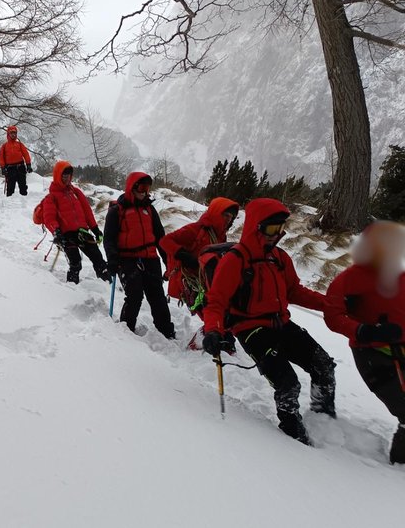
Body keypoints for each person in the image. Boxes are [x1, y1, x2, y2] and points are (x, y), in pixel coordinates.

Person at [202, 198, 336, 445]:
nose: (278, 235)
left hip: (282, 324)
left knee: (323, 365)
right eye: (273, 229)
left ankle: (324, 419)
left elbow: (295, 291)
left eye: (281, 229)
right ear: (257, 226)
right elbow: (216, 302)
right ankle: (293, 436)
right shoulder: (235, 260)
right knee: (288, 384)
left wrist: (331, 304)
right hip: (252, 330)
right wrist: (212, 330)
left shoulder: (279, 258)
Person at [324, 220, 405, 464]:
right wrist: (366, 331)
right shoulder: (351, 279)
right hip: (373, 355)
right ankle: (399, 466)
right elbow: (333, 316)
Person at [161, 197, 239, 347]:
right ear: (216, 214)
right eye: (225, 216)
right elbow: (165, 241)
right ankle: (201, 344)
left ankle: (217, 341)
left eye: (231, 218)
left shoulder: (220, 235)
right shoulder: (196, 230)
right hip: (192, 282)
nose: (228, 221)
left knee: (218, 314)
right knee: (211, 314)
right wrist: (184, 255)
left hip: (208, 281)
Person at [103, 172, 174, 338]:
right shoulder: (116, 210)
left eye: (147, 188)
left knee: (157, 296)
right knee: (134, 295)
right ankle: (126, 332)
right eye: (142, 187)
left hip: (150, 258)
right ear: (132, 187)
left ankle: (166, 331)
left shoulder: (149, 209)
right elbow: (109, 239)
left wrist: (167, 260)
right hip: (126, 260)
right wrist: (112, 260)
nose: (145, 192)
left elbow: (160, 237)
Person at [42, 161, 109, 284]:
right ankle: (72, 290)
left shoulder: (76, 192)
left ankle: (107, 283)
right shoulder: (51, 197)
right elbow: (49, 218)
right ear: (58, 176)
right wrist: (56, 232)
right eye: (64, 175)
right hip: (66, 235)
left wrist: (95, 229)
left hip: (82, 232)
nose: (67, 178)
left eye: (69, 175)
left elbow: (87, 212)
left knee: (98, 258)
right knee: (75, 262)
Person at [0, 125, 32, 196]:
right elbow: (1, 158)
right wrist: (3, 168)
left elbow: (26, 154)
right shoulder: (4, 146)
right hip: (10, 168)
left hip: (21, 167)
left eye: (15, 133)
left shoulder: (20, 144)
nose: (13, 134)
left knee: (23, 186)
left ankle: (24, 201)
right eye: (11, 133)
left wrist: (28, 165)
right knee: (10, 187)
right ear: (8, 134)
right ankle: (9, 202)